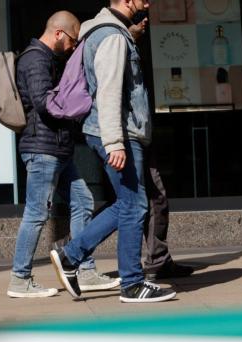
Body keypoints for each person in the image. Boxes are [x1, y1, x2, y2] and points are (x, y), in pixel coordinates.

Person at [50, 0, 176, 303]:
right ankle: (131, 283)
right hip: (119, 133)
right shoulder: (113, 37)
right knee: (134, 206)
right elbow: (108, 91)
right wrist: (115, 142)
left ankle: (71, 255)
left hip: (113, 132)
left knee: (129, 204)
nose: (146, 4)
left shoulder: (100, 31)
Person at [8, 11, 119, 299]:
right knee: (36, 213)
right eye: (71, 40)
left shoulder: (45, 58)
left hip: (56, 148)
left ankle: (83, 269)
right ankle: (20, 279)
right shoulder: (36, 59)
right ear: (58, 33)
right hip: (43, 149)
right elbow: (45, 104)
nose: (72, 47)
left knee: (83, 201)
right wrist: (79, 98)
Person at [128, 10, 198, 282]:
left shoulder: (134, 46)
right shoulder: (117, 44)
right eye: (139, 15)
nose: (146, 20)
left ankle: (159, 258)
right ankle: (72, 250)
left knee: (151, 199)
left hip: (140, 134)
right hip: (128, 137)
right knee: (131, 204)